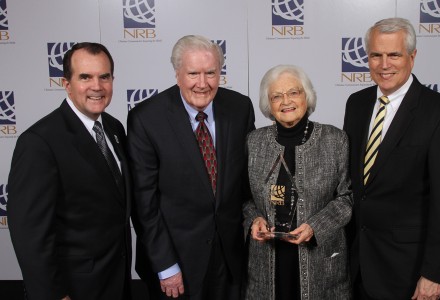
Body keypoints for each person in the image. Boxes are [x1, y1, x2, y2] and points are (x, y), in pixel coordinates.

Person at [343, 18, 440, 300]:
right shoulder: (356, 103)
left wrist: (434, 273)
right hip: (357, 263)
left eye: (394, 55)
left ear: (412, 57)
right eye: (376, 55)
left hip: (408, 270)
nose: (383, 64)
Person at [127, 34, 255, 300]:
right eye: (193, 73)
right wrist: (166, 265)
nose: (202, 83)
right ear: (177, 74)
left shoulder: (240, 107)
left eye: (210, 73)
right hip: (176, 262)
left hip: (231, 260)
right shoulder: (146, 118)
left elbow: (246, 183)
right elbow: (144, 203)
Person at [7, 42, 132, 300]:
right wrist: (53, 294)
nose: (97, 86)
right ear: (67, 84)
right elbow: (30, 236)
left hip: (116, 282)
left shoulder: (114, 128)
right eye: (85, 77)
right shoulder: (39, 142)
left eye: (104, 77)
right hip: (73, 290)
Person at [243, 64, 353, 300]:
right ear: (268, 104)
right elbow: (244, 199)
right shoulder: (254, 142)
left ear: (307, 96)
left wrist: (316, 226)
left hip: (320, 260)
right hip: (267, 261)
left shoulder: (335, 140)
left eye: (294, 92)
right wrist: (255, 219)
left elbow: (347, 198)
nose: (286, 102)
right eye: (277, 96)